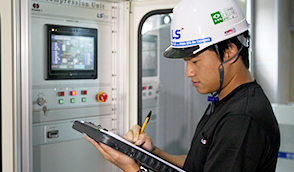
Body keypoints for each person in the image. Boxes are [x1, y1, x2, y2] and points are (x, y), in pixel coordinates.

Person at [85, 0, 280, 171]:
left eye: (195, 61)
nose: (188, 72)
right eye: (186, 62)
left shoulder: (241, 120)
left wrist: (132, 169)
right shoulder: (224, 100)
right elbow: (199, 164)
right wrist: (152, 154)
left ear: (229, 52)